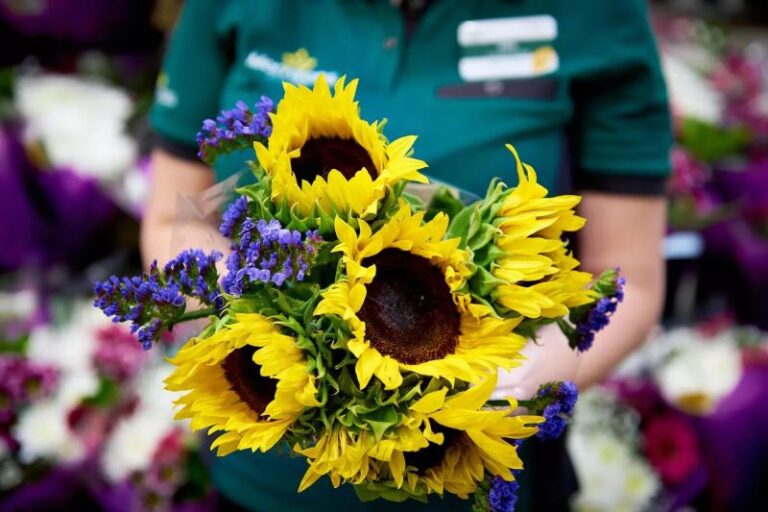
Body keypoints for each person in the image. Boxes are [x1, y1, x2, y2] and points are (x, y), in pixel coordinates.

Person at [143, 1, 671, 510]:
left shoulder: (598, 12)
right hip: (264, 476)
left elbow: (628, 280)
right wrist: (251, 312)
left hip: (478, 475)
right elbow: (175, 216)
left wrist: (516, 380)